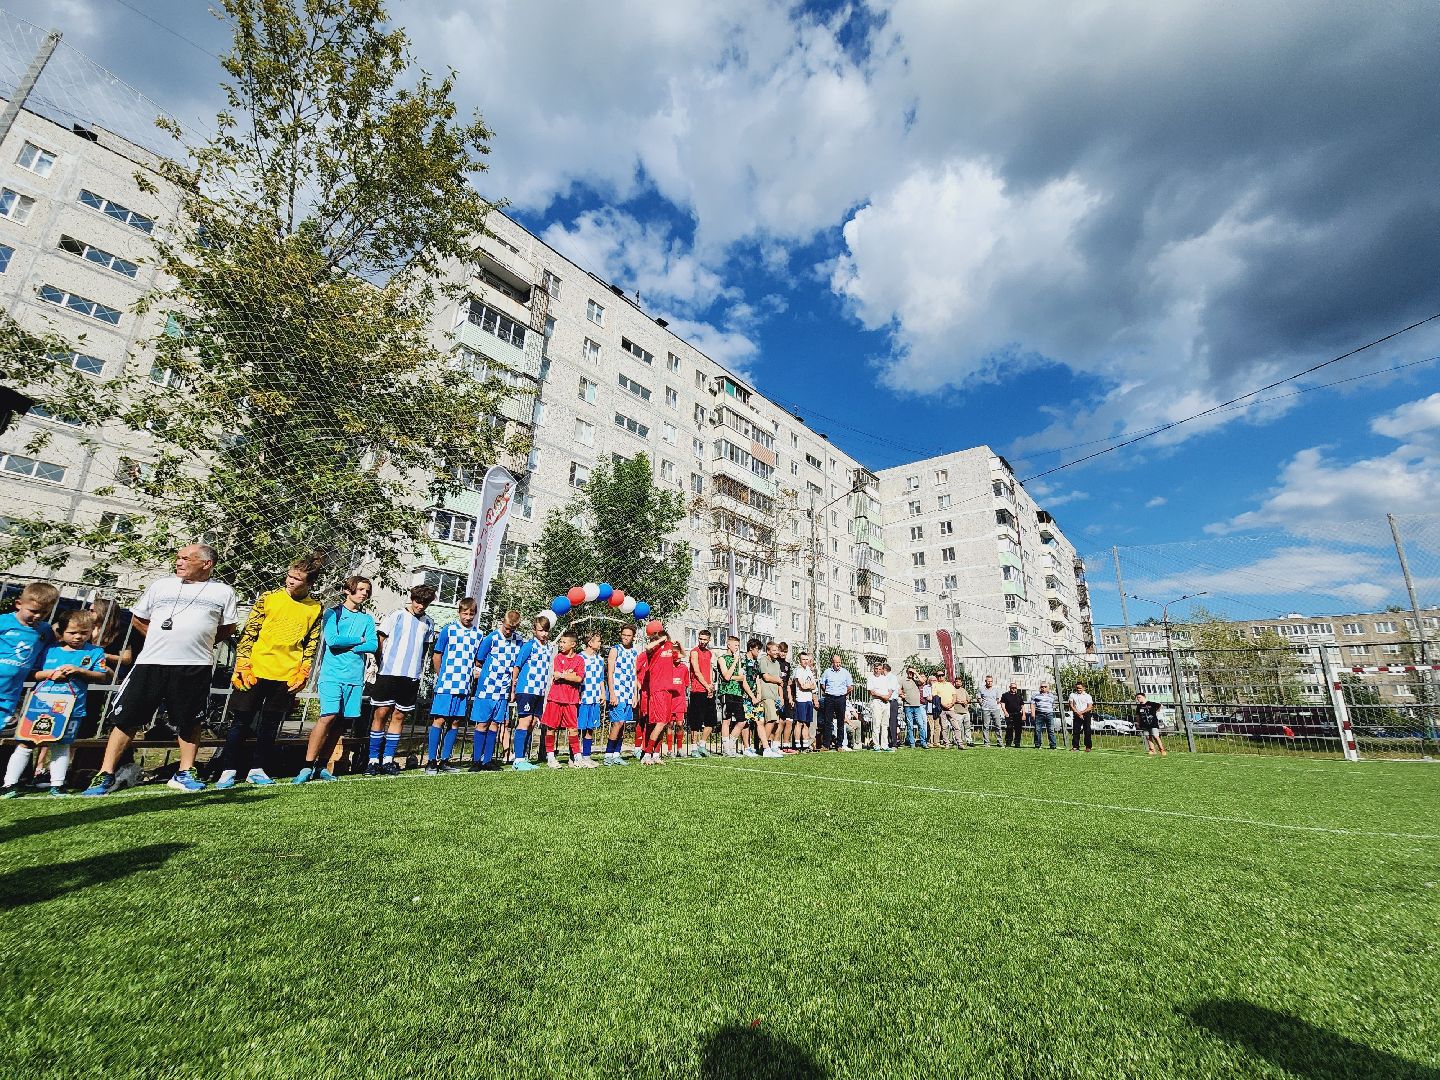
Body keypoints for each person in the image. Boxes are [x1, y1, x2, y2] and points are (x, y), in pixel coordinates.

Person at [84, 546, 239, 796]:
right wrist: (160, 638)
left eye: (186, 558)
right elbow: (138, 618)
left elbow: (229, 627)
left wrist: (201, 641)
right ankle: (106, 773)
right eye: (178, 558)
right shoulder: (161, 586)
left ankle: (185, 772)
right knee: (128, 717)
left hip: (195, 664)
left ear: (206, 564)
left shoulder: (223, 592)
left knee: (190, 719)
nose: (179, 562)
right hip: (151, 662)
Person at [217, 554, 325, 789]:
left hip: (286, 674)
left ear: (309, 583)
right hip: (256, 669)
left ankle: (257, 769)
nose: (291, 581)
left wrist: (304, 670)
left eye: (297, 579)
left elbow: (312, 643)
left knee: (271, 724)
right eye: (289, 576)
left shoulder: (316, 608)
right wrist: (242, 662)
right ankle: (228, 770)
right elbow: (250, 632)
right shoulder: (268, 598)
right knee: (241, 721)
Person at [3, 610, 108, 797]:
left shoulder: (95, 652)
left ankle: (57, 785)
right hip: (41, 706)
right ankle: (10, 784)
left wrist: (80, 671)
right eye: (72, 632)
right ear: (61, 632)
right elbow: (33, 673)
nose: (78, 637)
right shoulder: (49, 650)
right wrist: (51, 674)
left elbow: (101, 676)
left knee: (61, 745)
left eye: (84, 633)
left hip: (72, 709)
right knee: (26, 743)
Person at [295, 576, 378, 783]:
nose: (364, 593)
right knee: (328, 716)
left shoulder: (367, 619)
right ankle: (306, 766)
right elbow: (332, 640)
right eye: (360, 589)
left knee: (341, 721)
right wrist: (359, 640)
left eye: (367, 591)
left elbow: (373, 645)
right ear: (348, 590)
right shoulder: (333, 613)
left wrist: (353, 646)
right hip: (332, 675)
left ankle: (322, 766)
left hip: (354, 677)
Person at [366, 584, 437, 776]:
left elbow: (425, 649)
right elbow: (380, 640)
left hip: (410, 676)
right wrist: (379, 663)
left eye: (425, 603)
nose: (420, 606)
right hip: (388, 672)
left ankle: (388, 760)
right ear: (412, 599)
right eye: (418, 601)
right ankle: (373, 760)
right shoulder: (396, 615)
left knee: (399, 716)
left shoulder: (428, 623)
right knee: (381, 713)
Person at [425, 597, 485, 774]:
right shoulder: (449, 629)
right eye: (465, 613)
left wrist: (476, 671)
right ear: (459, 612)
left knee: (455, 722)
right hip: (446, 684)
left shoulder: (478, 634)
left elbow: (478, 660)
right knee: (440, 719)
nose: (468, 617)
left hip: (464, 685)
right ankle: (431, 761)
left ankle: (445, 760)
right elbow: (437, 655)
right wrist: (441, 675)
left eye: (471, 614)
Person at [0, 582, 59, 735]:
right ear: (19, 604)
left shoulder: (45, 631)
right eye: (33, 611)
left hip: (11, 692)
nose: (38, 616)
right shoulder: (4, 622)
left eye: (44, 612)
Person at [468, 610, 524, 770]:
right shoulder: (491, 638)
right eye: (507, 628)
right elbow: (479, 661)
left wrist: (512, 689)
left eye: (512, 629)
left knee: (495, 725)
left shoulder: (519, 641)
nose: (509, 632)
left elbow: (517, 665)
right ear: (502, 622)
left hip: (503, 689)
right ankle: (476, 760)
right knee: (482, 724)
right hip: (487, 688)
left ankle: (487, 760)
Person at [638, 626, 688, 765]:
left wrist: (679, 645)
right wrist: (661, 640)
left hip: (668, 691)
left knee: (664, 723)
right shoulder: (654, 649)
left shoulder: (669, 648)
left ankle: (655, 754)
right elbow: (647, 647)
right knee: (660, 723)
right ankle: (647, 754)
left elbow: (682, 655)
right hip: (658, 689)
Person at [510, 616, 554, 772]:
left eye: (546, 630)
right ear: (534, 630)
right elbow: (517, 666)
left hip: (539, 691)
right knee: (525, 720)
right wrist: (513, 688)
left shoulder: (548, 647)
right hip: (526, 689)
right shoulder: (529, 646)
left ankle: (524, 756)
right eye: (541, 630)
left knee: (533, 722)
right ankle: (518, 759)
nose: (544, 634)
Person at [541, 629, 585, 768]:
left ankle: (577, 757)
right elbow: (556, 674)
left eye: (564, 642)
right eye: (560, 642)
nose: (561, 644)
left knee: (573, 729)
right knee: (551, 728)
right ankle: (550, 757)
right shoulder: (558, 658)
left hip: (571, 699)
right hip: (555, 698)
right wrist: (568, 675)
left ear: (573, 644)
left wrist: (563, 675)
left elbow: (578, 678)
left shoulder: (579, 660)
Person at [602, 623, 642, 766]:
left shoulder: (634, 653)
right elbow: (610, 673)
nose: (625, 637)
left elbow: (635, 675)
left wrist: (635, 694)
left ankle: (616, 754)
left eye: (628, 635)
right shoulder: (615, 650)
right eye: (623, 635)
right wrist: (612, 693)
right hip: (617, 692)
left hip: (628, 693)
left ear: (633, 637)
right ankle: (608, 754)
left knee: (623, 724)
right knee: (617, 723)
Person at [575, 631, 605, 767]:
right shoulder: (580, 657)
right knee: (577, 728)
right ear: (590, 643)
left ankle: (586, 756)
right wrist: (577, 695)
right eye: (598, 641)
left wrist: (603, 693)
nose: (600, 643)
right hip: (583, 698)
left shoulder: (599, 659)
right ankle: (574, 756)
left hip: (595, 698)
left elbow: (600, 678)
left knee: (590, 728)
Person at [716, 634, 748, 758]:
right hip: (726, 692)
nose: (737, 648)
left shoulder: (738, 659)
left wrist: (733, 676)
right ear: (728, 645)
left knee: (742, 721)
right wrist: (734, 662)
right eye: (735, 645)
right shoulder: (722, 658)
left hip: (737, 692)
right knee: (726, 720)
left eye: (738, 645)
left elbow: (741, 677)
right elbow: (726, 676)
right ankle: (726, 749)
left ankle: (730, 746)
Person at [685, 628, 715, 758]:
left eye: (705, 639)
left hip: (708, 689)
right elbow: (697, 672)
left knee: (711, 720)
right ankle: (694, 748)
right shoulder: (694, 652)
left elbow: (709, 669)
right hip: (697, 690)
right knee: (696, 721)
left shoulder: (709, 653)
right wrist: (707, 686)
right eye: (700, 639)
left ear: (709, 640)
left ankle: (702, 745)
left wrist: (711, 685)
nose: (702, 641)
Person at [756, 640, 786, 758]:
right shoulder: (763, 660)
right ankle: (764, 747)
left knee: (775, 722)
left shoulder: (777, 663)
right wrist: (778, 680)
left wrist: (781, 697)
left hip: (775, 696)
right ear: (768, 651)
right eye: (774, 650)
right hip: (766, 694)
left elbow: (780, 683)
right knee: (771, 719)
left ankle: (768, 745)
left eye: (777, 650)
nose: (776, 652)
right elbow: (766, 677)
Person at [816, 652, 852, 751]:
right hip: (830, 698)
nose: (838, 664)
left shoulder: (845, 672)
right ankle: (826, 745)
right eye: (836, 662)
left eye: (839, 662)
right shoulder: (827, 672)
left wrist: (843, 694)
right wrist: (828, 692)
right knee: (828, 722)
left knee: (841, 722)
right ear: (832, 662)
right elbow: (822, 684)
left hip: (841, 698)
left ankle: (839, 745)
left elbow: (850, 687)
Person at [790, 651, 817, 751]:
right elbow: (802, 686)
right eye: (803, 659)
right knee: (799, 723)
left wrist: (808, 686)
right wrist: (809, 686)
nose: (805, 661)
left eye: (807, 659)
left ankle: (805, 745)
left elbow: (814, 686)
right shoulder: (798, 671)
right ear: (800, 660)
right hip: (801, 700)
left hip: (809, 700)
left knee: (806, 723)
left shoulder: (809, 670)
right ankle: (797, 745)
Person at [866, 662, 894, 752]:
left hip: (886, 702)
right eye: (876, 669)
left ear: (882, 670)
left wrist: (888, 696)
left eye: (879, 669)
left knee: (885, 725)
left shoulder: (885, 678)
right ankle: (876, 744)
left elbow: (890, 689)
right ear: (873, 669)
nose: (877, 671)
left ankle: (884, 745)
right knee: (876, 724)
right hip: (877, 702)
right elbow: (872, 692)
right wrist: (883, 696)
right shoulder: (870, 678)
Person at [900, 667, 927, 748]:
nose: (910, 673)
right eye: (909, 672)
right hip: (908, 706)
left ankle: (923, 742)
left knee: (921, 724)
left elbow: (923, 681)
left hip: (917, 706)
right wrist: (901, 695)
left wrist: (915, 672)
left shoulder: (916, 681)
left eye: (912, 672)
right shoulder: (903, 681)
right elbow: (899, 690)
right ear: (907, 672)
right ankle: (912, 743)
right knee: (910, 725)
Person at [776, 641, 794, 753]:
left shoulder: (787, 665)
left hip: (786, 696)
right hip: (777, 695)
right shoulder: (775, 663)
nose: (783, 654)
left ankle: (786, 745)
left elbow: (787, 683)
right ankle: (776, 745)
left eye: (785, 652)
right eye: (781, 651)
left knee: (789, 721)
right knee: (779, 722)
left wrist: (790, 697)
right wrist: (780, 697)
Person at [1068, 680, 1095, 752]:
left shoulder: (1087, 696)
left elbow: (1090, 707)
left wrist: (1081, 713)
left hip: (1086, 714)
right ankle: (1075, 747)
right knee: (1076, 731)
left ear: (1083, 688)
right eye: (1077, 688)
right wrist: (1077, 713)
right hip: (1076, 714)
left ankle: (1088, 747)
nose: (1078, 689)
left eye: (1080, 688)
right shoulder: (1072, 695)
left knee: (1087, 731)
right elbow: (1071, 705)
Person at [978, 675, 1004, 748]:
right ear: (985, 681)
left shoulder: (996, 689)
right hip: (985, 709)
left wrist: (997, 703)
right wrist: (982, 704)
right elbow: (979, 698)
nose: (990, 683)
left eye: (991, 681)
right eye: (988, 681)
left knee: (998, 726)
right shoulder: (981, 689)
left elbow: (998, 699)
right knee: (986, 726)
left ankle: (1000, 742)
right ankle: (986, 743)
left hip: (995, 709)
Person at [1000, 681, 1027, 749]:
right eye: (1012, 688)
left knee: (1018, 729)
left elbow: (1022, 705)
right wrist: (1005, 712)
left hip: (1018, 714)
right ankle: (1008, 742)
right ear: (1010, 687)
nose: (1014, 689)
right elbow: (1002, 704)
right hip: (1009, 714)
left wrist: (1024, 714)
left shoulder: (1019, 695)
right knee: (1009, 728)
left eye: (1015, 688)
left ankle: (1017, 743)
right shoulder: (1005, 695)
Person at [1031, 681, 1058, 750]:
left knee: (1051, 730)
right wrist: (1033, 714)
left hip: (1049, 714)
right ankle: (1037, 745)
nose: (1043, 688)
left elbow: (1054, 704)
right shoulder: (1036, 695)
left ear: (1048, 688)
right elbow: (1032, 704)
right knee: (1037, 730)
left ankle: (1053, 745)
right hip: (1039, 714)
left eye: (1045, 687)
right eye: (1042, 687)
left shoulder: (1052, 695)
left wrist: (1050, 709)